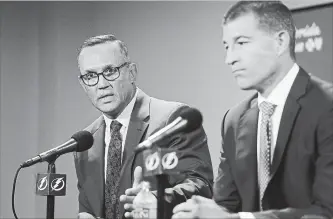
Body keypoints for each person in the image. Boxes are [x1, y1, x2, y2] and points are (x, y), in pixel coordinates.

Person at [172, 1, 333, 219]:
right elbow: (225, 205)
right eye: (227, 47)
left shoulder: (327, 105)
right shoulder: (234, 119)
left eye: (241, 42)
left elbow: (327, 211)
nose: (230, 59)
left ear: (280, 42)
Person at [73, 34, 214, 219]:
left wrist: (155, 200)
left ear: (132, 72)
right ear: (83, 84)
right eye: (91, 76)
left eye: (109, 71)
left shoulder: (172, 121)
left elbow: (200, 186)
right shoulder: (85, 144)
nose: (101, 84)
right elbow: (87, 207)